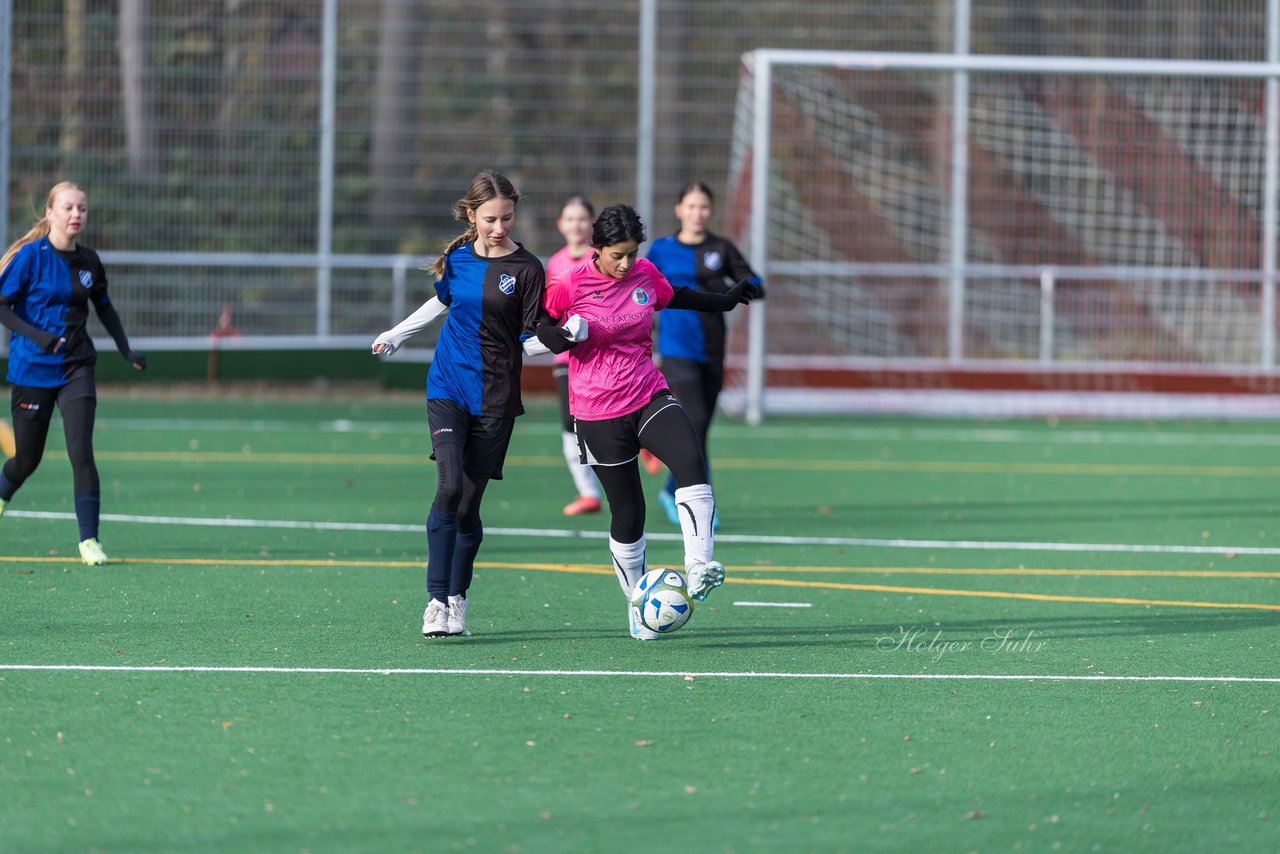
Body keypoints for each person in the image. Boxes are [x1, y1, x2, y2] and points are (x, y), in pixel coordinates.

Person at [372, 169, 580, 639]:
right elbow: (439, 303)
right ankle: (435, 600)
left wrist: (566, 339)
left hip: (495, 397)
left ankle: (458, 597)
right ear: (471, 215)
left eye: (507, 217)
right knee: (447, 488)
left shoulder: (527, 269)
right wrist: (396, 335)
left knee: (467, 505)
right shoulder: (458, 258)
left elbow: (527, 340)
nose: (500, 227)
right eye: (490, 219)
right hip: (447, 387)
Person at [540, 203, 760, 640]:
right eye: (617, 254)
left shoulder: (643, 273)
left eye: (631, 253)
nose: (625, 263)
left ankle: (698, 567)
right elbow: (540, 325)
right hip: (597, 412)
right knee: (629, 512)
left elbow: (674, 295)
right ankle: (638, 607)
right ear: (597, 248)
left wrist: (724, 300)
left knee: (690, 457)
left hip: (647, 392)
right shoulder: (570, 283)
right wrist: (561, 336)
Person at [0, 181, 147, 564]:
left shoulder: (89, 262)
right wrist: (39, 337)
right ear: (50, 213)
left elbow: (105, 307)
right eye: (67, 208)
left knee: (81, 452)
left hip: (76, 368)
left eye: (81, 208)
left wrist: (126, 348)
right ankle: (2, 492)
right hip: (32, 370)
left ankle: (89, 540)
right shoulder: (31, 257)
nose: (76, 214)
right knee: (25, 462)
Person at [645, 181, 763, 527]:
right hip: (676, 351)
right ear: (679, 210)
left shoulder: (721, 249)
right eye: (691, 206)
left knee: (700, 429)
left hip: (711, 353)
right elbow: (639, 287)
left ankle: (670, 490)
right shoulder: (661, 251)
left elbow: (754, 283)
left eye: (704, 207)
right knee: (693, 422)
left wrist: (731, 289)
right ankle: (699, 503)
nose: (698, 213)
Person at [546, 196, 603, 517]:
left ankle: (641, 442)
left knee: (604, 421)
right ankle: (588, 493)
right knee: (570, 425)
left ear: (592, 224)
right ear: (560, 225)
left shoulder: (603, 259)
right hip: (567, 359)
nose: (576, 225)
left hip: (600, 357)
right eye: (570, 219)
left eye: (582, 218)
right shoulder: (555, 263)